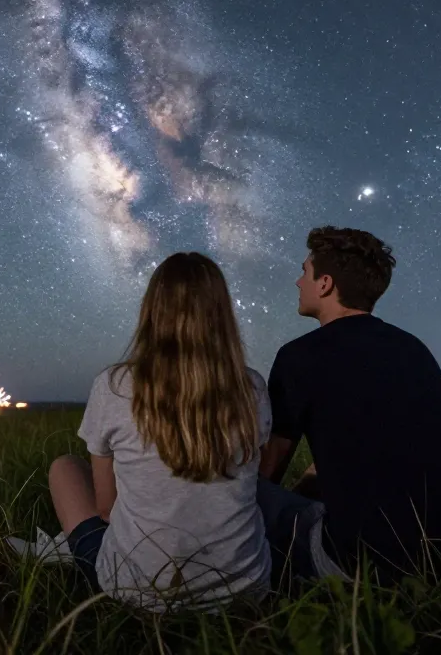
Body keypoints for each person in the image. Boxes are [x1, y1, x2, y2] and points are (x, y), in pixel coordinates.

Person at [48, 252, 273, 612]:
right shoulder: (252, 388)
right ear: (221, 313)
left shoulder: (115, 386)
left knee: (64, 467)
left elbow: (106, 509)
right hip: (244, 591)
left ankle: (73, 552)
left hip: (136, 590)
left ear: (151, 311)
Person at [258, 226, 441, 587]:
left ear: (325, 284)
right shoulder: (415, 350)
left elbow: (270, 468)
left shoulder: (299, 356)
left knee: (240, 491)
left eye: (304, 272)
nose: (298, 282)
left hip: (359, 567)